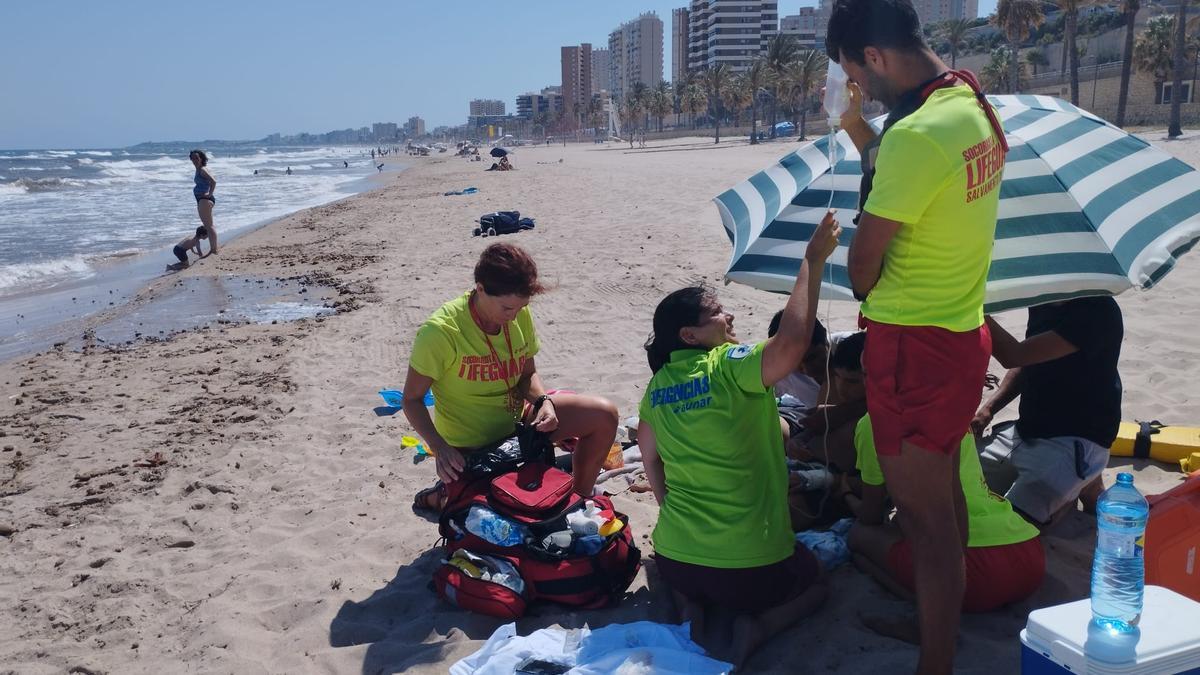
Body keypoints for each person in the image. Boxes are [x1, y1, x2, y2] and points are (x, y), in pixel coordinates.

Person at [827, 0, 1008, 670]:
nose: (861, 89)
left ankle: (936, 663)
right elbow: (906, 160)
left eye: (857, 75)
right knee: (947, 503)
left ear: (874, 57)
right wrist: (853, 125)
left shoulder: (915, 137)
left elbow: (864, 267)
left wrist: (854, 267)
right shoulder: (969, 102)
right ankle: (942, 633)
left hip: (912, 349)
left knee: (925, 523)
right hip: (961, 334)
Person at [637, 212, 841, 668]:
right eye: (716, 313)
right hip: (752, 568)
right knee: (819, 584)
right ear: (689, 335)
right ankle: (759, 627)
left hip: (677, 559)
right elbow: (791, 344)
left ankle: (692, 609)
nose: (728, 315)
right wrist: (812, 260)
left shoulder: (656, 388)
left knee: (689, 576)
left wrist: (674, 511)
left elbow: (651, 463)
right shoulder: (729, 364)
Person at [404, 243, 619, 509]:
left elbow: (527, 374)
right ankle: (438, 495)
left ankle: (580, 498)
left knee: (603, 415)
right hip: (470, 448)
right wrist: (439, 447)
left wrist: (543, 401)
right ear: (480, 289)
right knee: (491, 511)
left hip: (521, 429)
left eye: (521, 307)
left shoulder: (519, 314)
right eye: (507, 308)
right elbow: (412, 400)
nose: (514, 315)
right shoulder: (441, 332)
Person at [845, 414, 1044, 628]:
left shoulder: (873, 422)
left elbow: (870, 515)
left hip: (973, 576)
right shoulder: (954, 411)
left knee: (859, 538)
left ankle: (929, 608)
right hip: (1028, 555)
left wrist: (845, 493)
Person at [973, 297, 1123, 525]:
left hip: (1075, 438)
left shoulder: (1098, 311)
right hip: (1025, 432)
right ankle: (1085, 483)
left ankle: (1081, 486)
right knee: (959, 487)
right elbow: (1029, 359)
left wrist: (974, 309)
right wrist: (989, 409)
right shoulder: (1047, 299)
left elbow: (1014, 354)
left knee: (1011, 527)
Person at [188, 150, 218, 255]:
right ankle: (213, 249)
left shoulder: (202, 170)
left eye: (197, 158)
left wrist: (209, 194)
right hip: (203, 200)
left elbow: (213, 181)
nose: (194, 160)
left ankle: (214, 250)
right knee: (209, 225)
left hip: (205, 200)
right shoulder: (199, 170)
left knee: (209, 226)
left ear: (201, 158)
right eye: (192, 158)